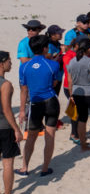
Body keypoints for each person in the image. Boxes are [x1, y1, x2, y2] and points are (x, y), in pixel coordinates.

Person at [17, 35, 61, 176]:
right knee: (50, 135)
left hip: (35, 103)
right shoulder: (53, 64)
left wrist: (22, 110)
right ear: (45, 48)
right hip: (51, 101)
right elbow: (54, 83)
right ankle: (45, 168)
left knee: (31, 136)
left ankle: (24, 167)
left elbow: (24, 90)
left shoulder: (24, 67)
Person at [0, 50, 26, 194]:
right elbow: (7, 109)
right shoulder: (6, 84)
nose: (11, 63)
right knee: (8, 162)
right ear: (2, 63)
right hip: (4, 127)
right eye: (9, 60)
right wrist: (16, 129)